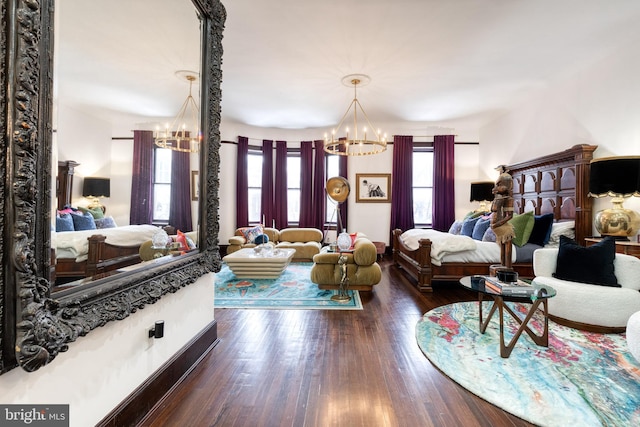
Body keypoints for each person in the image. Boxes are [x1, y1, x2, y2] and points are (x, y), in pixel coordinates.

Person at [490, 165, 515, 268]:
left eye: (499, 185)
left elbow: (510, 216)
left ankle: (507, 268)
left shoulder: (508, 199)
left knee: (506, 248)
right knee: (502, 247)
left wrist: (497, 224)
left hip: (501, 226)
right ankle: (502, 266)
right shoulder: (499, 197)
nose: (496, 188)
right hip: (497, 225)